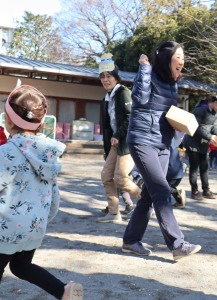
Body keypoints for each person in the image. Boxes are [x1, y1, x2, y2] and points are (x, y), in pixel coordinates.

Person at [0, 85, 83, 299]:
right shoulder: (48, 155)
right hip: (34, 226)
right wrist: (42, 219)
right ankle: (63, 290)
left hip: (5, 228)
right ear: (42, 121)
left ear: (8, 121)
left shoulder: (6, 153)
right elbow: (53, 195)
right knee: (21, 266)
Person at [121, 41, 201, 260]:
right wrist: (144, 68)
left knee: (149, 194)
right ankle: (177, 244)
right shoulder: (147, 75)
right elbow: (139, 99)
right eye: (179, 56)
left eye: (183, 57)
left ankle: (130, 240)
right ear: (167, 58)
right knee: (162, 191)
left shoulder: (172, 84)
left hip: (163, 143)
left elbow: (164, 113)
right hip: (142, 140)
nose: (182, 61)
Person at [97, 54, 141, 223]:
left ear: (116, 77)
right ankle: (114, 213)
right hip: (115, 144)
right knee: (106, 175)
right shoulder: (106, 99)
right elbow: (107, 127)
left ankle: (145, 200)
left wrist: (117, 135)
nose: (105, 80)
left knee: (121, 178)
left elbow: (132, 118)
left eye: (109, 76)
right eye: (102, 77)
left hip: (127, 143)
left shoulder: (123, 93)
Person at [183, 93, 217, 200]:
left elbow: (214, 127)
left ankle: (206, 190)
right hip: (193, 143)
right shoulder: (199, 110)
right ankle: (194, 191)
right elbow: (196, 127)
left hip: (203, 143)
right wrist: (210, 137)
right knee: (194, 168)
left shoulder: (214, 112)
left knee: (204, 168)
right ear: (215, 102)